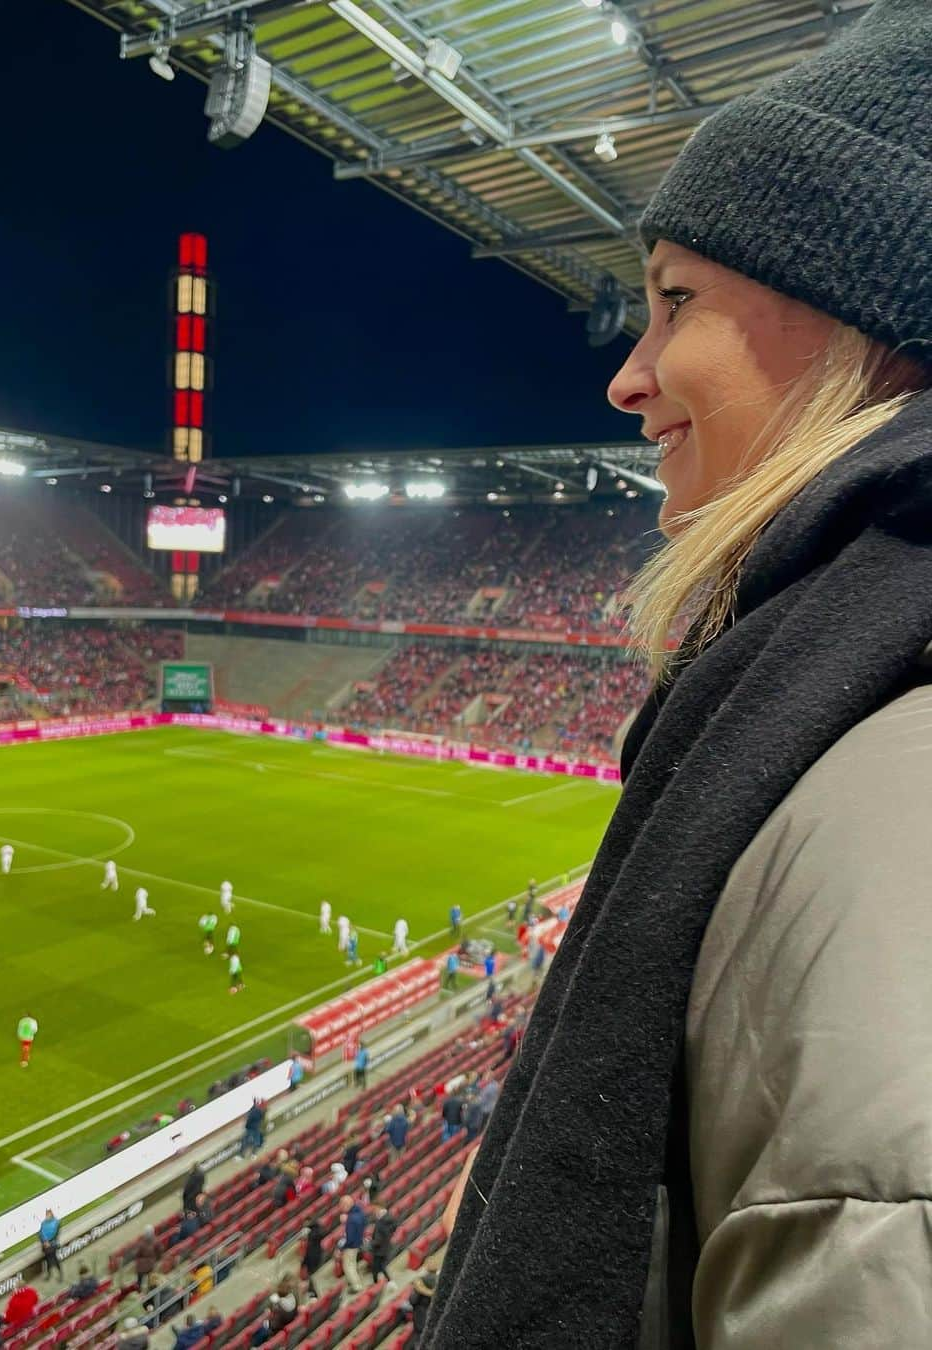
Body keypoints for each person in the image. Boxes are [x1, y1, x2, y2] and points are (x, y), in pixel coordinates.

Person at [425, 6, 932, 1347]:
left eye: (677, 300)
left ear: (867, 321)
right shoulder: (842, 707)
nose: (628, 378)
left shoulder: (886, 782)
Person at [403, 1258, 438, 1349]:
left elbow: (413, 1300)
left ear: (426, 1267)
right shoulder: (440, 1279)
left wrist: (419, 1289)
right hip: (434, 1314)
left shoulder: (422, 1281)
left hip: (421, 1315)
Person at [251, 1276, 297, 1345]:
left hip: (275, 1328)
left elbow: (274, 1300)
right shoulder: (293, 1298)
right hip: (283, 1326)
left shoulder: (279, 1303)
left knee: (257, 1328)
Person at [338, 1195, 367, 1294]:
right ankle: (357, 1283)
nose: (340, 1207)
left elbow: (349, 1238)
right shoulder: (360, 1212)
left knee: (348, 1267)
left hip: (351, 1247)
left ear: (347, 1204)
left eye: (341, 1205)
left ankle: (356, 1286)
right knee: (353, 1265)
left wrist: (341, 1248)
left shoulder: (351, 1219)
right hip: (358, 1243)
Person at [368, 1206, 396, 1286]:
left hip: (379, 1250)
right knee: (380, 1267)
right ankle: (388, 1281)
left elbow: (378, 1240)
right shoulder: (389, 1222)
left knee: (376, 1267)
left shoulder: (380, 1225)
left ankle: (377, 1283)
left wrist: (369, 1243)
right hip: (386, 1247)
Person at [302, 1216, 327, 1297]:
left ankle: (314, 1294)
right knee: (311, 1277)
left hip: (314, 1256)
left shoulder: (314, 1231)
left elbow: (322, 1234)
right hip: (313, 1255)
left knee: (312, 1276)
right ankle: (312, 1292)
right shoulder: (313, 1231)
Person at [132, 1226, 160, 1292]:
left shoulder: (141, 1243)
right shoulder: (156, 1241)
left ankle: (138, 1290)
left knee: (139, 1280)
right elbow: (160, 1251)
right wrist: (156, 1259)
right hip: (151, 1264)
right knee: (152, 1279)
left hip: (141, 1266)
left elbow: (137, 1254)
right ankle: (151, 1291)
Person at [38, 1209, 63, 1281]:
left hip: (52, 1244)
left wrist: (48, 1242)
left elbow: (55, 1234)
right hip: (45, 1245)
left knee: (54, 1259)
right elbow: (40, 1233)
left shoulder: (56, 1223)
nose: (47, 1216)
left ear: (51, 1215)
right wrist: (44, 1242)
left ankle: (60, 1275)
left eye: (48, 1214)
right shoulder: (43, 1223)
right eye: (46, 1214)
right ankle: (49, 1275)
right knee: (48, 1260)